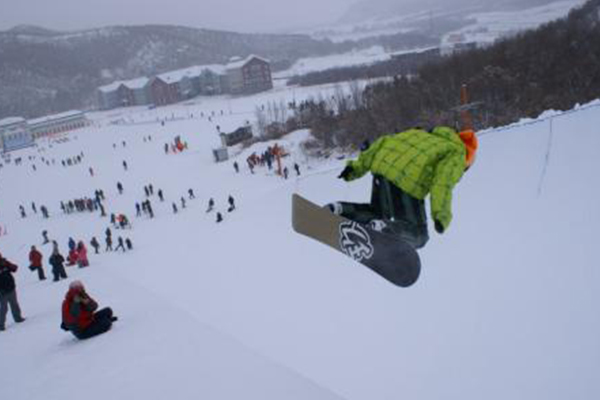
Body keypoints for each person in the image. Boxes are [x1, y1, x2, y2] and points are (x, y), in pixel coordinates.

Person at [328, 126, 478, 249]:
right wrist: (441, 216)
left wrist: (355, 169)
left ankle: (339, 209)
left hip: (381, 170)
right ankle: (383, 229)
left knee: (377, 212)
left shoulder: (421, 134)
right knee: (419, 235)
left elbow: (384, 142)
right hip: (407, 183)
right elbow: (442, 184)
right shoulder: (457, 153)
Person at [0, 253, 25, 331]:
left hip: (11, 288)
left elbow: (15, 268)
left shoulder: (5, 263)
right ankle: (1, 325)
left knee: (14, 304)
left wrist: (7, 264)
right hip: (2, 292)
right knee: (4, 308)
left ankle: (18, 318)